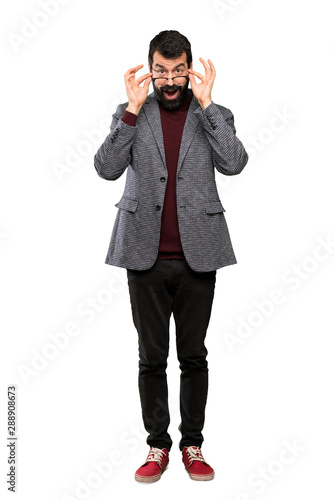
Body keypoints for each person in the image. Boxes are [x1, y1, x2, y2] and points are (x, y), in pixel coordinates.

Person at [94, 30, 248, 483]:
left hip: (199, 252)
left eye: (178, 70)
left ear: (189, 68)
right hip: (144, 252)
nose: (169, 79)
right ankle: (157, 446)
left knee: (193, 356)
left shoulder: (214, 114)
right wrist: (132, 109)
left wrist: (209, 104)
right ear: (150, 69)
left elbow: (234, 162)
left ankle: (193, 445)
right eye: (160, 70)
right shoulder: (133, 115)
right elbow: (105, 169)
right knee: (151, 357)